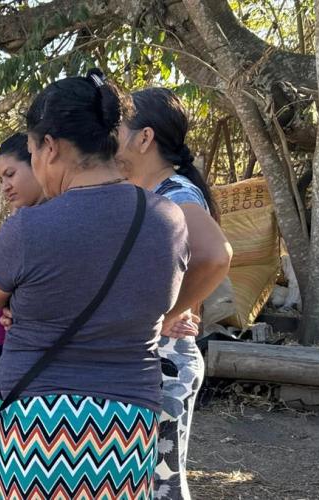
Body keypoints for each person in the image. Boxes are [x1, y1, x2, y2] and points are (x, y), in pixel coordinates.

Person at [0, 69, 190, 499]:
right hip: (129, 420)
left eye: (31, 150)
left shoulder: (29, 227)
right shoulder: (166, 219)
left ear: (49, 146)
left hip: (38, 422)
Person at [116, 87, 232, 500]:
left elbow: (216, 257)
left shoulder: (176, 195)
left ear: (144, 138)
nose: (110, 136)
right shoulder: (142, 193)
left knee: (162, 485)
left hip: (167, 358)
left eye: (118, 127)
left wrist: (168, 312)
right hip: (148, 356)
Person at [0, 132, 44, 361]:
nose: (5, 187)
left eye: (10, 174)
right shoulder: (19, 218)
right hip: (4, 334)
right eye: (1, 180)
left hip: (29, 344)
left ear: (37, 164)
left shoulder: (45, 221)